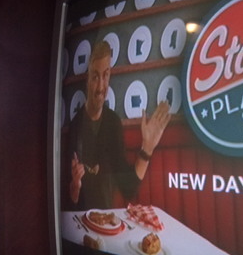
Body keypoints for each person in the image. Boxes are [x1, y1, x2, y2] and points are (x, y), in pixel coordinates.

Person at [67, 40, 170, 210]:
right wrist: (75, 188)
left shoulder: (113, 122)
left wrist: (147, 148)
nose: (101, 87)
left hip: (106, 221)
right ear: (87, 81)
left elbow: (128, 188)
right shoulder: (75, 125)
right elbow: (68, 200)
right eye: (95, 77)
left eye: (105, 75)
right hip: (79, 219)